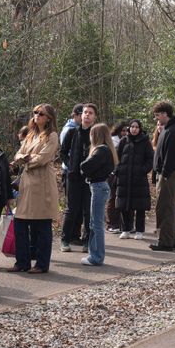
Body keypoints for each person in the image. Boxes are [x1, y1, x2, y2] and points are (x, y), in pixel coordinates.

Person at [8, 104, 60, 274]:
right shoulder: (30, 135)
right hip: (27, 184)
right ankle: (22, 261)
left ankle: (42, 264)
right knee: (20, 223)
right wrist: (24, 157)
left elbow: (43, 159)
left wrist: (25, 158)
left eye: (41, 113)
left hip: (42, 184)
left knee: (42, 225)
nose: (37, 115)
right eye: (35, 112)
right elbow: (18, 155)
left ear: (49, 117)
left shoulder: (52, 136)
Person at [60, 103, 97, 251]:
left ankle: (87, 241)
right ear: (81, 115)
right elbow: (62, 152)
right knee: (71, 209)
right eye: (85, 112)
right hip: (74, 177)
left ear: (95, 117)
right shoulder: (72, 132)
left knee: (89, 211)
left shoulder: (96, 133)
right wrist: (71, 165)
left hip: (90, 178)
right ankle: (65, 240)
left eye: (90, 113)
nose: (87, 115)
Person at [80, 123, 117, 265]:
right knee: (94, 222)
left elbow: (85, 166)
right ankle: (94, 254)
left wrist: (83, 168)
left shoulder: (100, 151)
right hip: (100, 186)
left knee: (96, 224)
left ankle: (97, 257)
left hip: (98, 187)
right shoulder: (107, 150)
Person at [150, 101, 175, 251]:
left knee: (164, 208)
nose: (157, 119)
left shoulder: (173, 131)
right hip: (166, 173)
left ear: (165, 114)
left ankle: (165, 242)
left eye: (158, 115)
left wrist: (164, 173)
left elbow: (171, 156)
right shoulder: (169, 130)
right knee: (170, 207)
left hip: (168, 175)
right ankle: (174, 240)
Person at [116, 119, 153, 239]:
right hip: (124, 179)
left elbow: (150, 159)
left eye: (136, 127)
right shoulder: (123, 141)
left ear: (140, 128)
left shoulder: (145, 142)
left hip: (139, 180)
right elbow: (116, 157)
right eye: (132, 127)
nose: (134, 129)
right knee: (124, 205)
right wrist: (118, 170)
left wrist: (143, 170)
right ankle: (126, 229)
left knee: (140, 206)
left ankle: (139, 230)